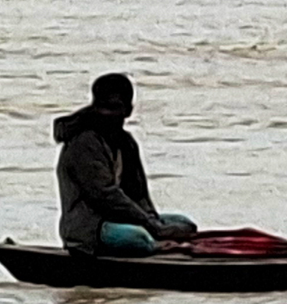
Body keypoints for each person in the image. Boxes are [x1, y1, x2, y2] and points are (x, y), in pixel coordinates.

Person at [53, 73, 197, 255]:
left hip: (124, 220)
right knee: (138, 237)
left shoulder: (126, 143)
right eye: (103, 108)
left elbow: (139, 194)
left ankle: (154, 242)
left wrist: (154, 222)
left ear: (128, 110)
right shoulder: (84, 142)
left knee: (185, 225)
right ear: (94, 107)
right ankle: (154, 248)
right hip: (90, 227)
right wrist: (152, 228)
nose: (108, 114)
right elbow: (105, 196)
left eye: (115, 108)